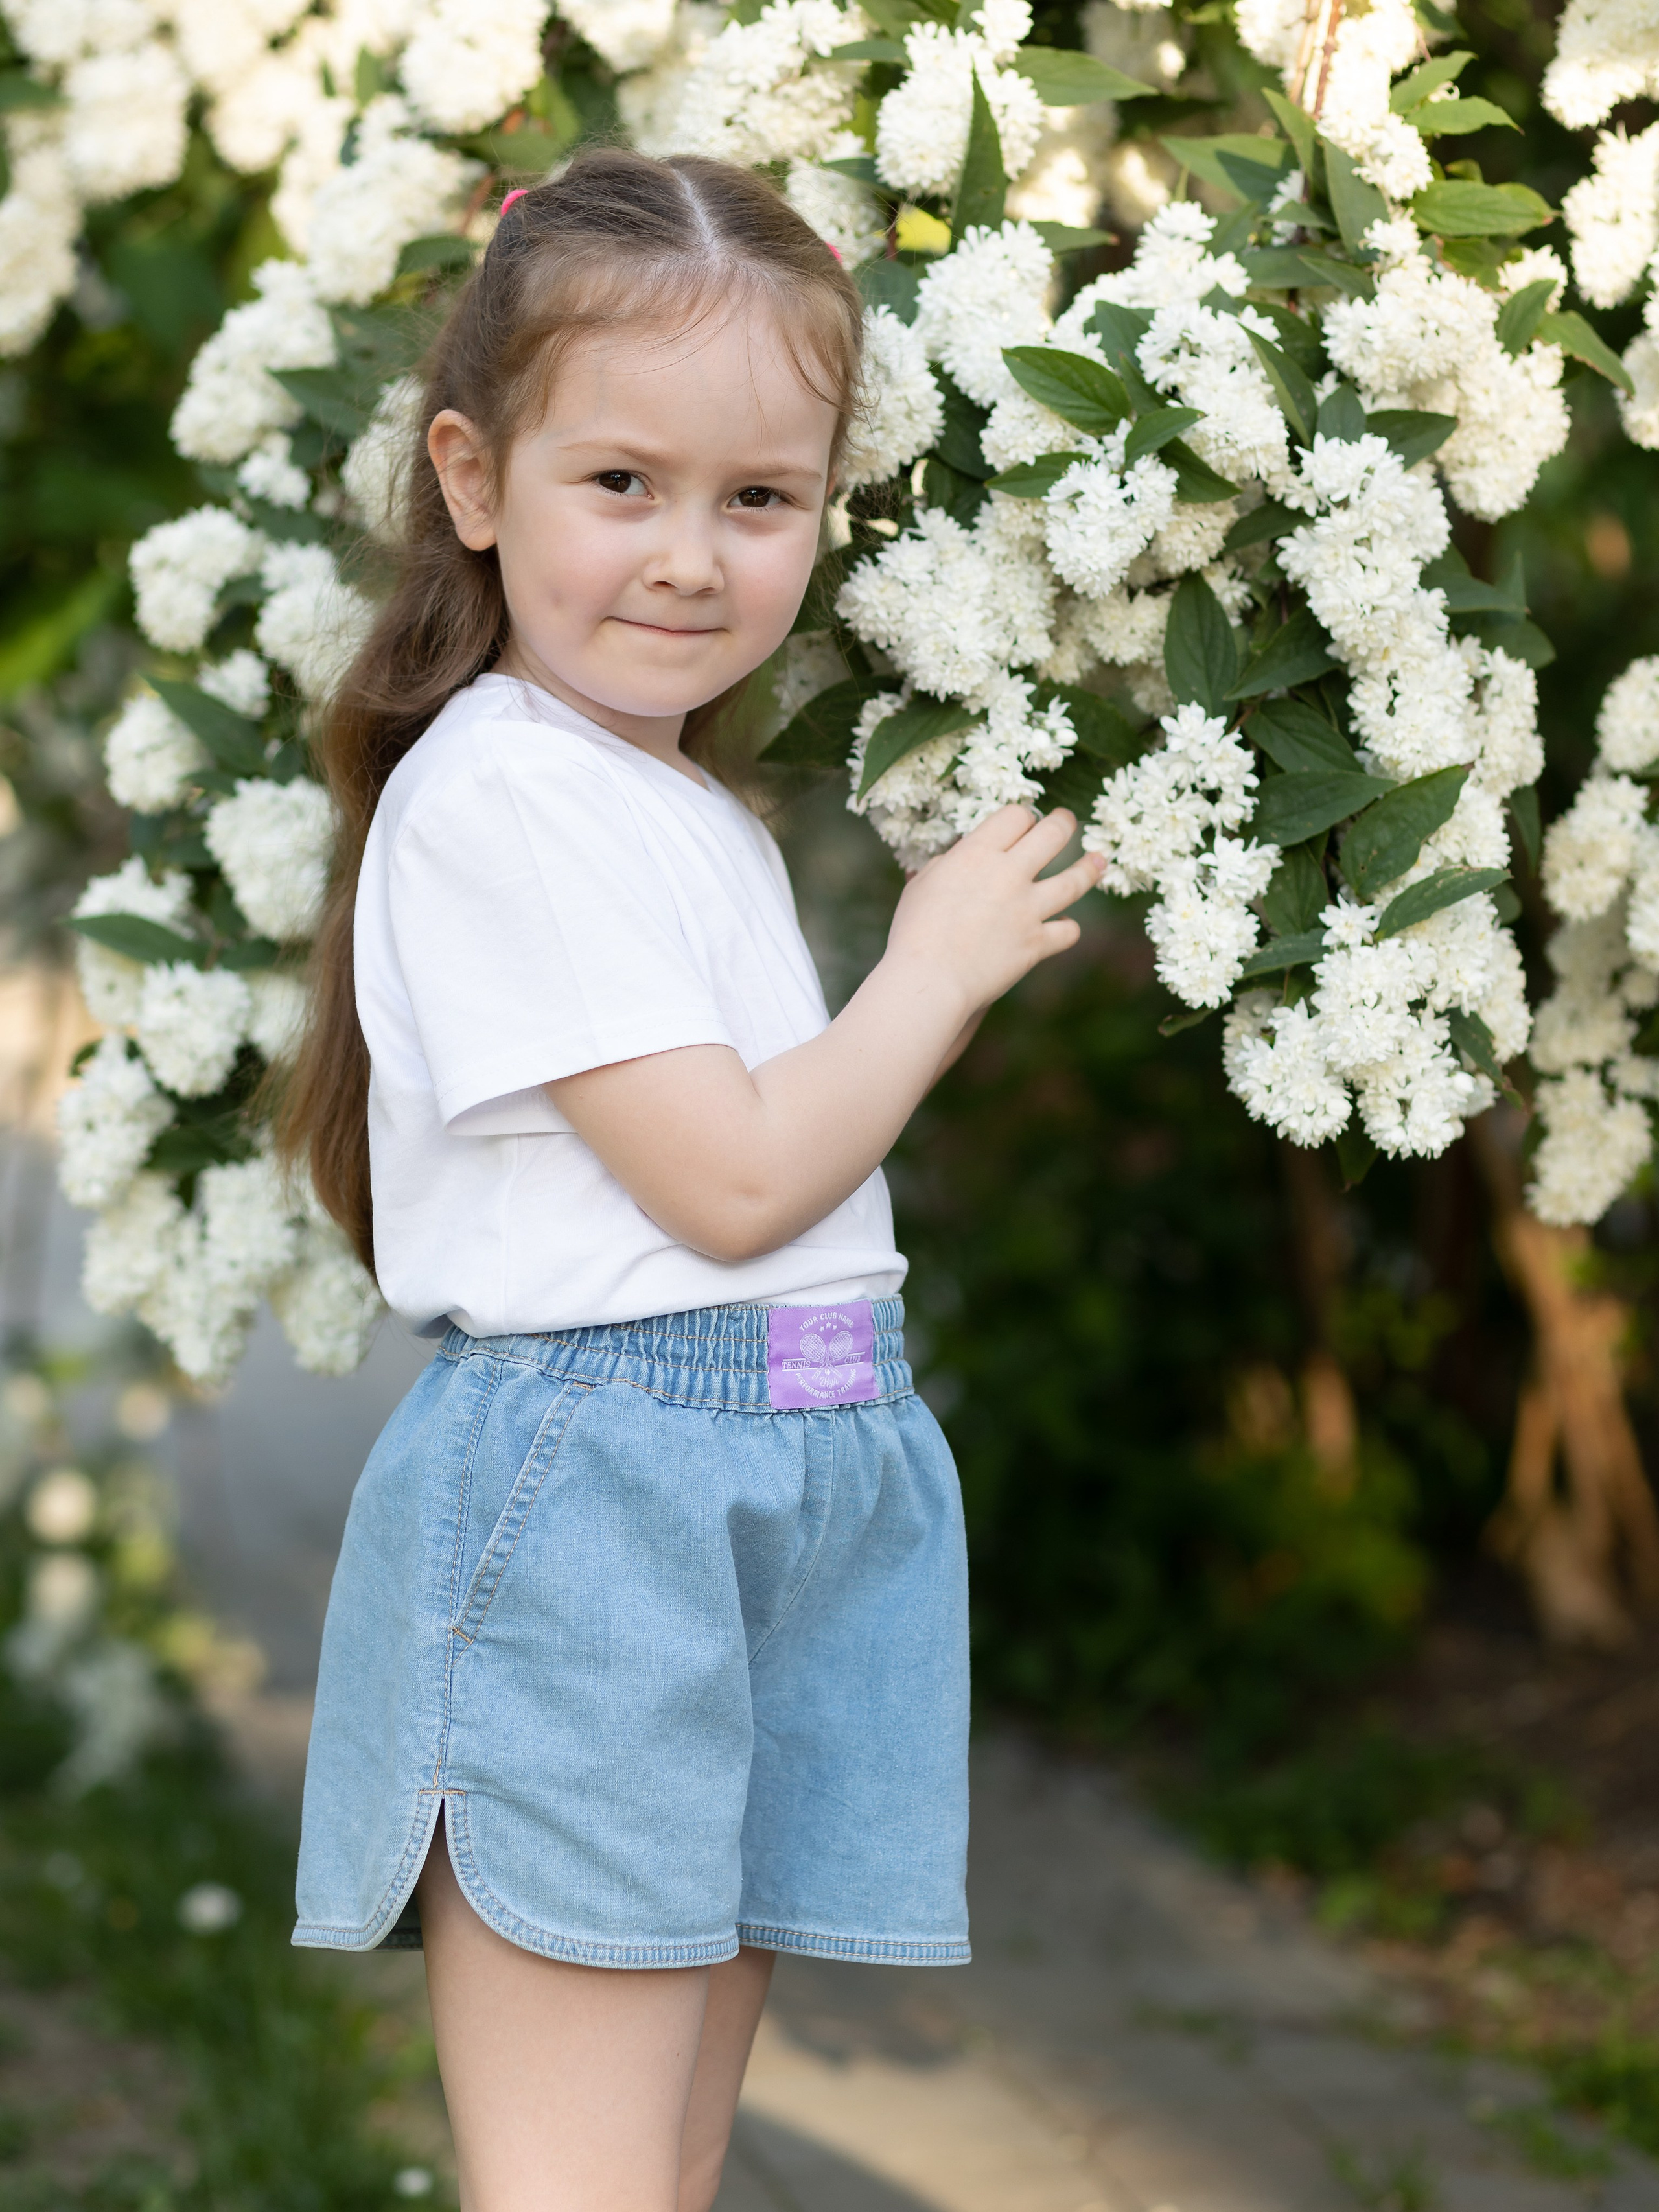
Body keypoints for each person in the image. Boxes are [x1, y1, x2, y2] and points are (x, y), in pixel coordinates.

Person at [279, 146, 1104, 2212]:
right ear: (476, 480)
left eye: (762, 500)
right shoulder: (499, 795)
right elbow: (733, 1187)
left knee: (665, 2168)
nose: (690, 558)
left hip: (798, 1470)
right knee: (581, 2185)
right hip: (608, 1494)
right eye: (620, 483)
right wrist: (935, 972)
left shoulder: (666, 799)